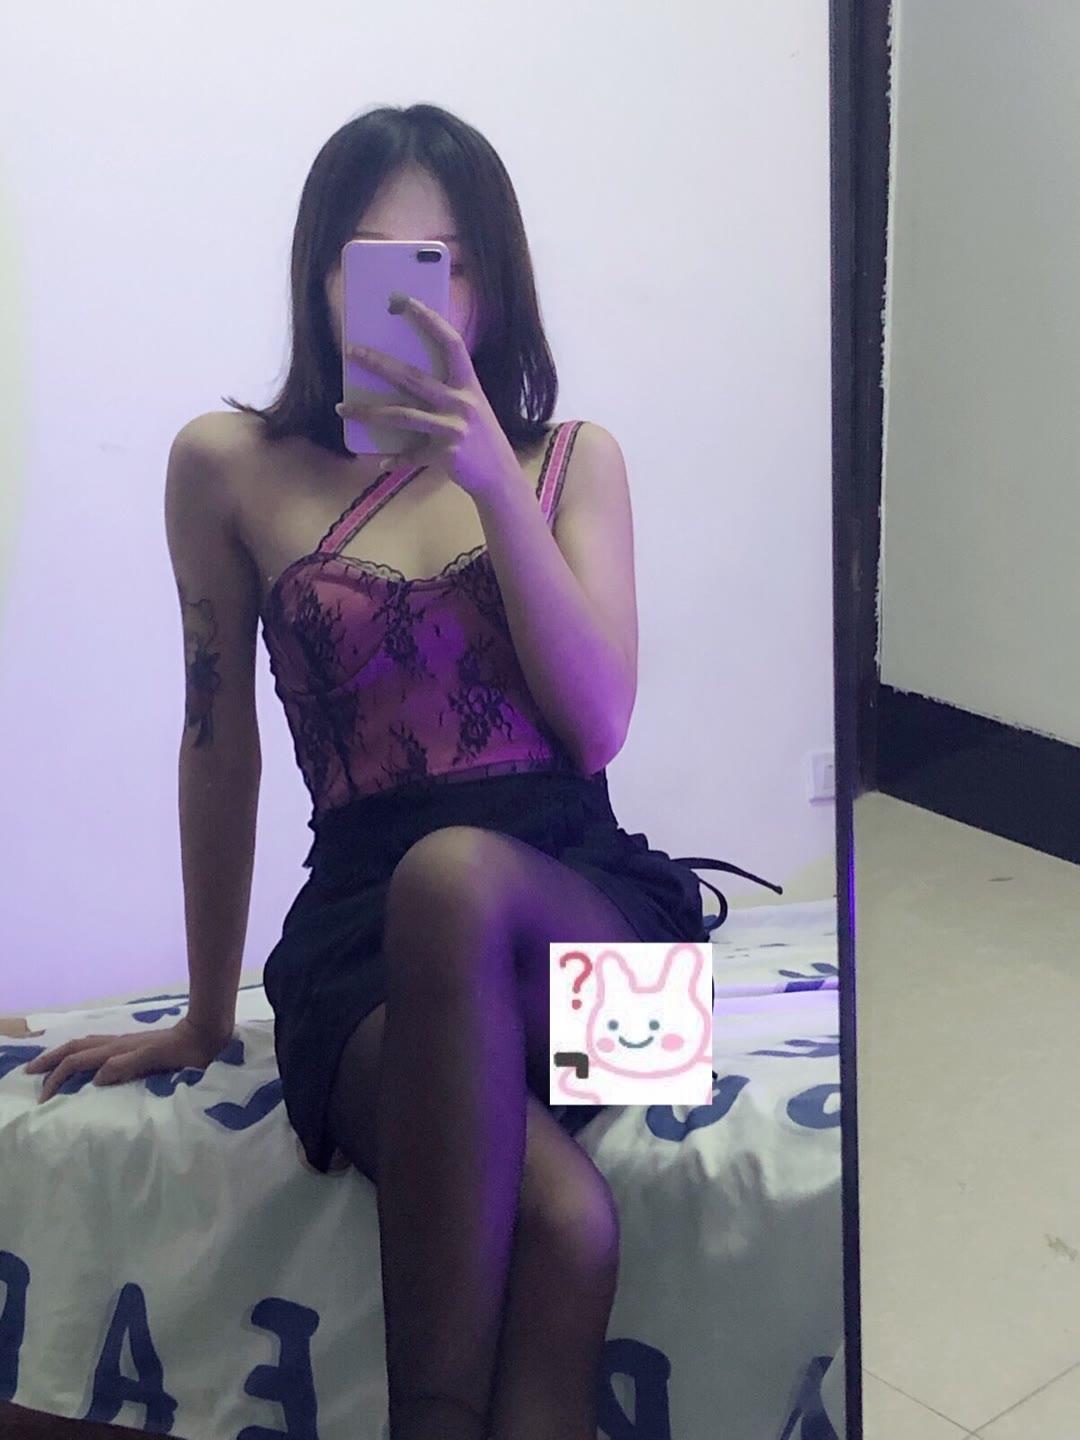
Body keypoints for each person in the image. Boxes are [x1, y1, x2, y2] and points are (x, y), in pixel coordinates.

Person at [27, 104, 776, 1440]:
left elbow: (599, 726)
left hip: (600, 948)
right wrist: (205, 1015)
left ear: (495, 281)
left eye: (452, 266)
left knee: (457, 878)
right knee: (565, 1223)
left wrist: (490, 479)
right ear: (322, 274)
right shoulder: (228, 468)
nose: (424, 301)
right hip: (365, 963)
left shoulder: (570, 462)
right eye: (378, 263)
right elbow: (218, 746)